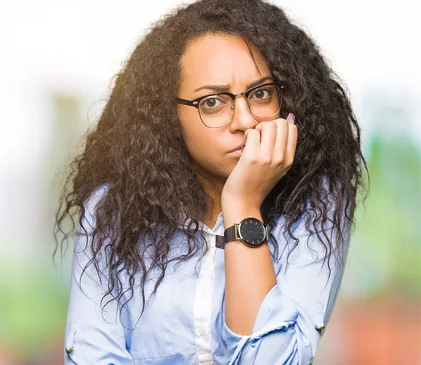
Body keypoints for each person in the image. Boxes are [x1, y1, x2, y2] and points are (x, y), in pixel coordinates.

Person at [54, 0, 366, 364]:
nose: (245, 120)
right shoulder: (110, 210)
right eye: (213, 102)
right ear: (168, 116)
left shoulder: (313, 204)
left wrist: (243, 206)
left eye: (261, 93)